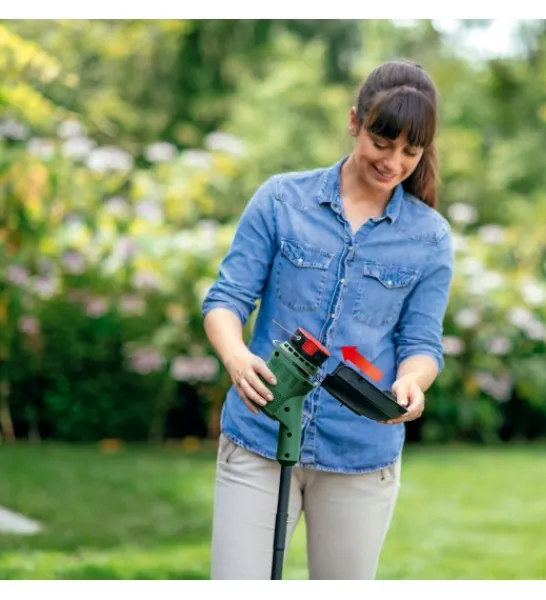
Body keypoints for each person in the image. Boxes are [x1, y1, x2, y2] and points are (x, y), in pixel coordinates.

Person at [201, 59, 455, 580]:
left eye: (411, 151)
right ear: (355, 122)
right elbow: (227, 297)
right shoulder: (281, 201)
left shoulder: (430, 237)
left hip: (361, 454)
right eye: (383, 143)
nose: (394, 162)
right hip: (259, 437)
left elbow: (422, 342)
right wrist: (236, 355)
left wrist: (412, 382)